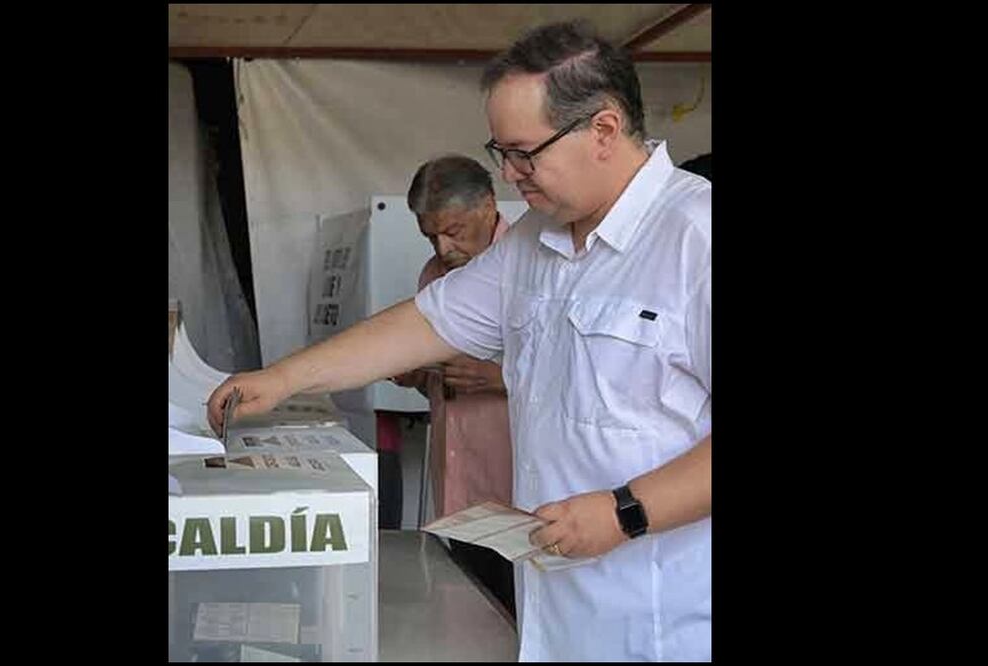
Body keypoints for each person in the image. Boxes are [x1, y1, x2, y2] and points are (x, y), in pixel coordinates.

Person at [209, 20, 711, 661]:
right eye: (500, 151)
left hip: (664, 622)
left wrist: (626, 512)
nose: (509, 174)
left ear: (604, 130)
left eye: (524, 153)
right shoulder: (535, 241)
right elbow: (426, 323)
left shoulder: (695, 236)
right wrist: (282, 378)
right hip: (557, 612)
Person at [389, 154, 516, 616]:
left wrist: (501, 378)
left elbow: (582, 374)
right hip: (458, 487)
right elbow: (439, 384)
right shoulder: (433, 275)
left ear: (488, 205)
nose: (443, 248)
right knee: (469, 615)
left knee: (516, 616)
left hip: (517, 490)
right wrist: (418, 373)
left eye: (454, 231)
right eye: (430, 236)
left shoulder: (531, 263)